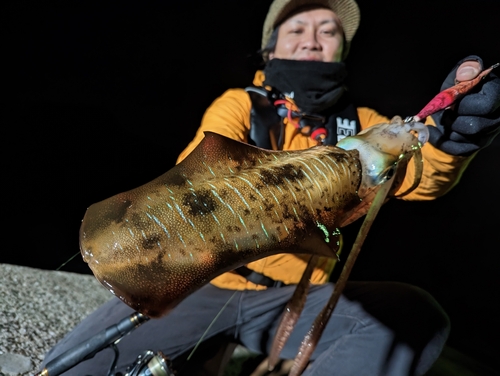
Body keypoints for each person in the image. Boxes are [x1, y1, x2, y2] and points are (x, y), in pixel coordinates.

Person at [41, 0, 500, 375]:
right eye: (297, 29)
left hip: (291, 303)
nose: (313, 39)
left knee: (415, 315)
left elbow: (416, 173)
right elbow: (194, 179)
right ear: (271, 49)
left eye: (328, 31)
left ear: (342, 51)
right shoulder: (241, 105)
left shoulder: (362, 126)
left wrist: (450, 140)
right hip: (209, 284)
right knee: (74, 368)